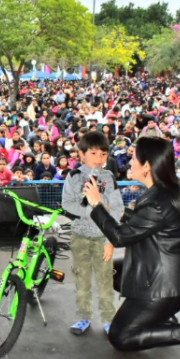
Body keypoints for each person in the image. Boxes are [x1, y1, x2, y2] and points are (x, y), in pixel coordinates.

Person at [84, 137, 180, 359]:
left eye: (134, 158)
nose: (130, 163)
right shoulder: (172, 189)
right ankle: (160, 316)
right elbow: (146, 224)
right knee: (108, 271)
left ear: (147, 166)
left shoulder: (158, 201)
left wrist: (97, 206)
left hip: (167, 286)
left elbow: (120, 237)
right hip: (172, 274)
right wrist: (113, 211)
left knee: (121, 336)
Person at [61, 131, 123, 335]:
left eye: (104, 154)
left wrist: (110, 238)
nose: (100, 159)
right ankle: (83, 317)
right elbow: (67, 205)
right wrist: (93, 210)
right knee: (82, 280)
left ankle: (108, 319)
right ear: (82, 154)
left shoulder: (109, 177)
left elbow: (116, 208)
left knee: (105, 279)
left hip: (102, 238)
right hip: (79, 237)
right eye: (94, 153)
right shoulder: (74, 176)